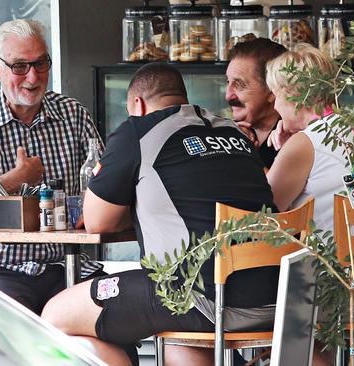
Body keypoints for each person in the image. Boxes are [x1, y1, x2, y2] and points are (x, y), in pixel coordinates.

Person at [41, 62, 279, 366]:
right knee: (176, 338)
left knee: (54, 316)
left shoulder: (138, 130)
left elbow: (98, 220)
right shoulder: (233, 132)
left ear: (137, 105)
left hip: (200, 297)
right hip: (275, 295)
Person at [0, 19, 104, 314]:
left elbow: (103, 186)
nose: (33, 76)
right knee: (15, 337)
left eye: (41, 63)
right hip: (1, 267)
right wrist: (13, 179)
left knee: (115, 320)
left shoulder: (74, 114)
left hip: (68, 262)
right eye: (19, 66)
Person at [264, 43, 354, 233]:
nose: (275, 106)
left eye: (275, 95)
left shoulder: (305, 143)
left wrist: (274, 155)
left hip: (349, 261)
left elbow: (265, 215)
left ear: (294, 96)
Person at [226, 38, 287, 168]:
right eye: (228, 82)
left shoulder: (292, 138)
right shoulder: (227, 135)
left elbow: (277, 188)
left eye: (240, 84)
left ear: (272, 91)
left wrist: (246, 152)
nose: (228, 95)